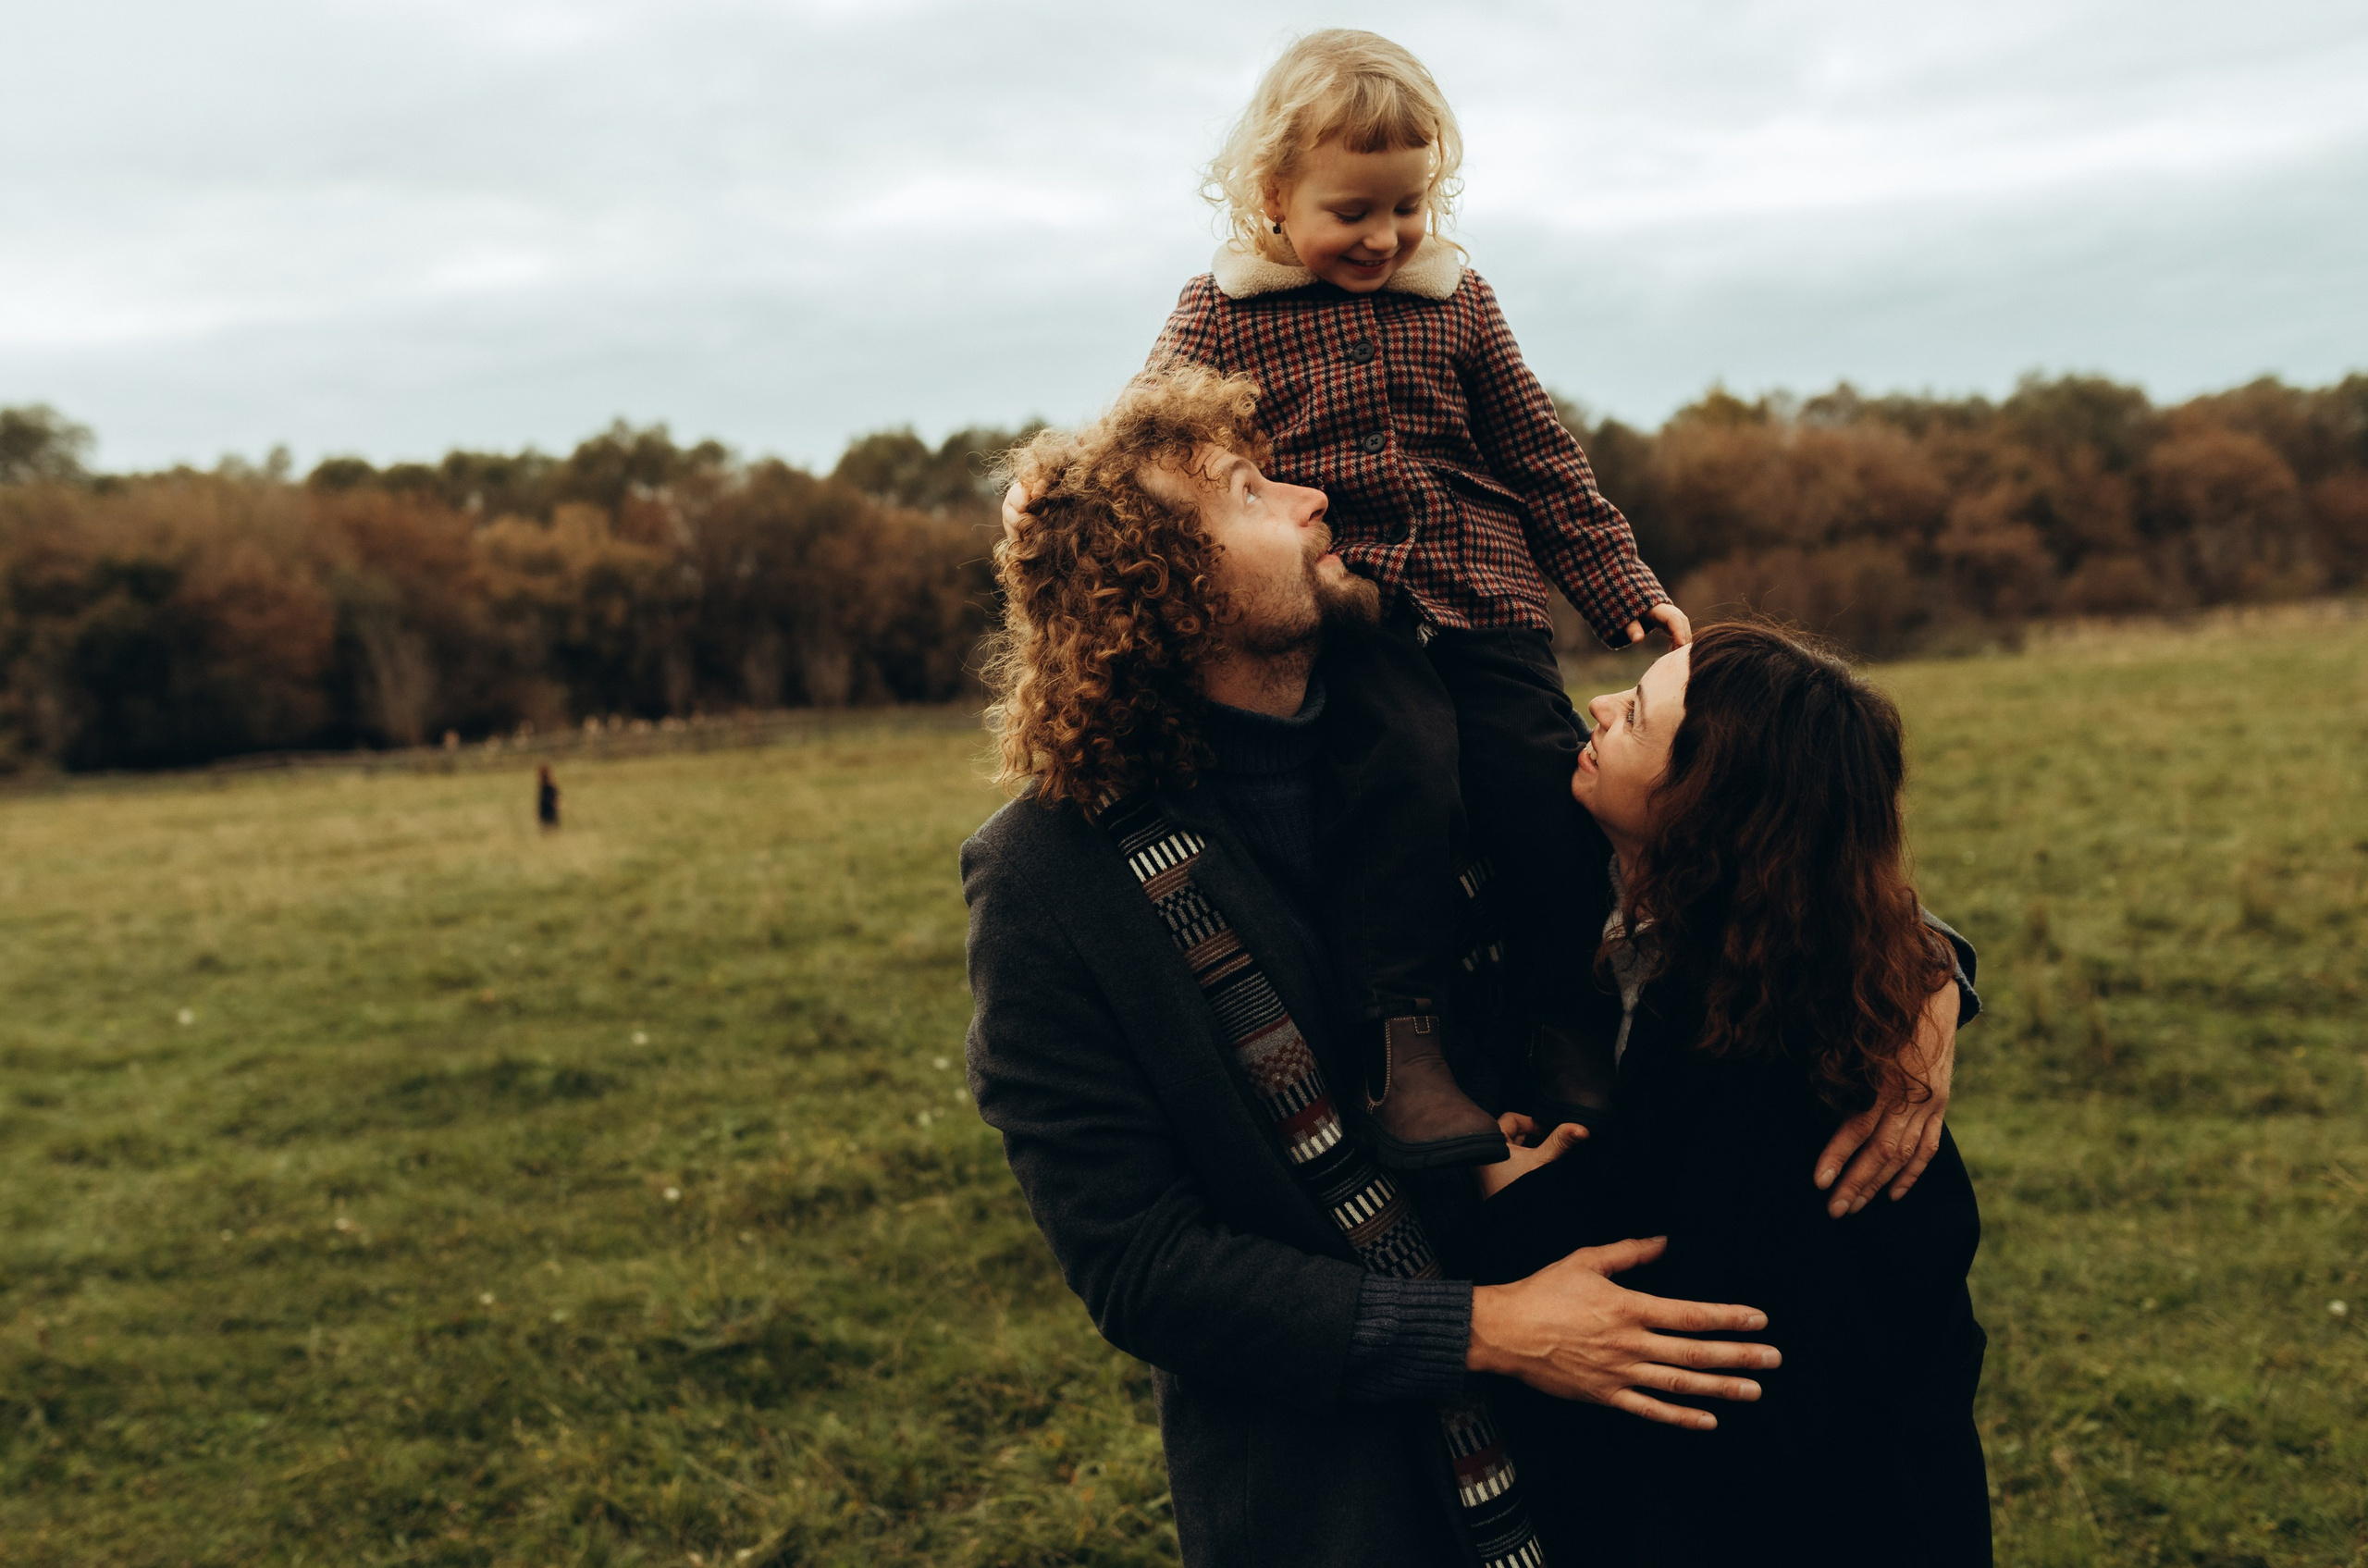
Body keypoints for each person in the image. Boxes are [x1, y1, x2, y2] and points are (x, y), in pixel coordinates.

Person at [963, 365, 1966, 1566]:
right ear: (1158, 584)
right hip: (1334, 1505)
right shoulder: (1046, 881)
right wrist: (1488, 1327)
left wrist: (1925, 965)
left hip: (1610, 1474)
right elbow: (1145, 1265)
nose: (1310, 496)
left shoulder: (1453, 748)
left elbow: (1760, 854)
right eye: (1250, 488)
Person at [1005, 30, 1690, 1172]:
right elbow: (1144, 442)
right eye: (1351, 211)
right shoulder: (1223, 311)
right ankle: (1404, 1050)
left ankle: (1570, 1030)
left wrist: (1620, 586)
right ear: (1273, 199)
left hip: (1484, 592)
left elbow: (1539, 457)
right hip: (1357, 609)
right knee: (1399, 778)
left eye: (1406, 207)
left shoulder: (1459, 303)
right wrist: (1045, 485)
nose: (1382, 237)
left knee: (1540, 786)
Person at [1472, 624, 1992, 1563]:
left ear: (1703, 807)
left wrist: (1512, 1196)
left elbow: (1699, 1315)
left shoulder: (1765, 1046)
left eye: (1633, 716)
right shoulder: (1768, 956)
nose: (1591, 709)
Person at [536, 765, 561, 830]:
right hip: (547, 809)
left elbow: (556, 798)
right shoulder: (544, 786)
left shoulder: (549, 786)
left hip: (549, 809)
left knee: (549, 828)